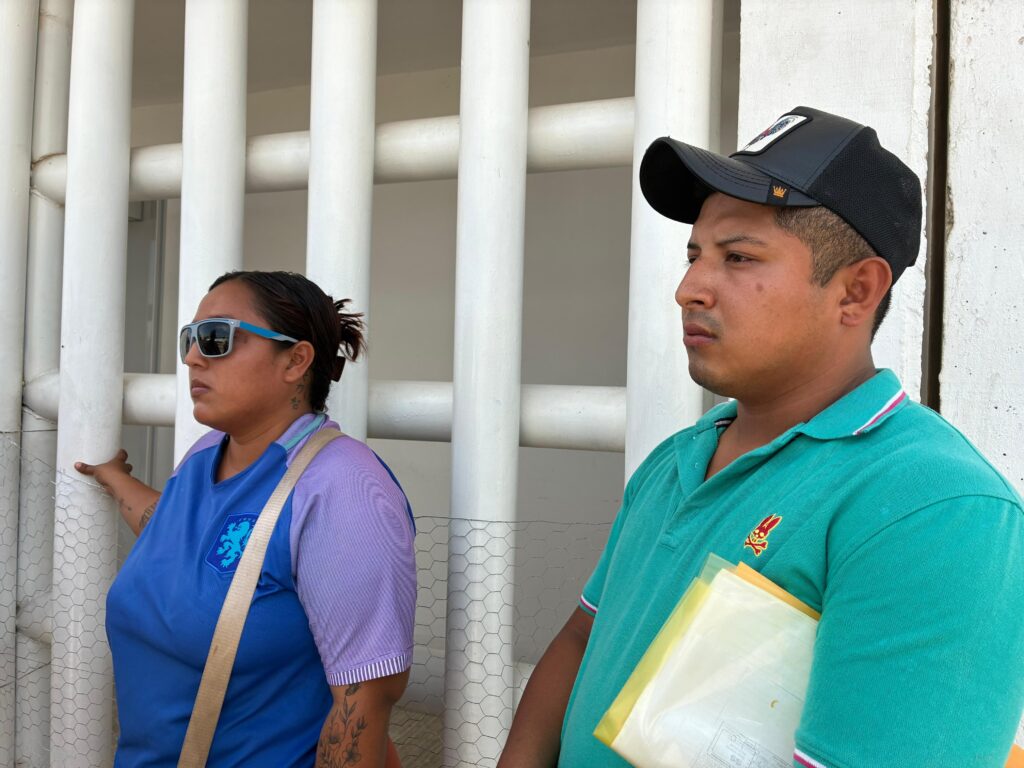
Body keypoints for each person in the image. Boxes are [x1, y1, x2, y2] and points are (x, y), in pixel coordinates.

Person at [498, 106, 1024, 767]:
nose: (690, 288)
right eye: (694, 256)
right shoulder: (678, 459)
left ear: (856, 291)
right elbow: (585, 637)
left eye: (738, 257)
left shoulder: (936, 507)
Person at [76, 270, 415, 767]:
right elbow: (184, 542)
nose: (193, 356)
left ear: (295, 361)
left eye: (217, 339)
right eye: (189, 339)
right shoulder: (206, 454)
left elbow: (363, 699)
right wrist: (115, 480)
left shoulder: (342, 489)